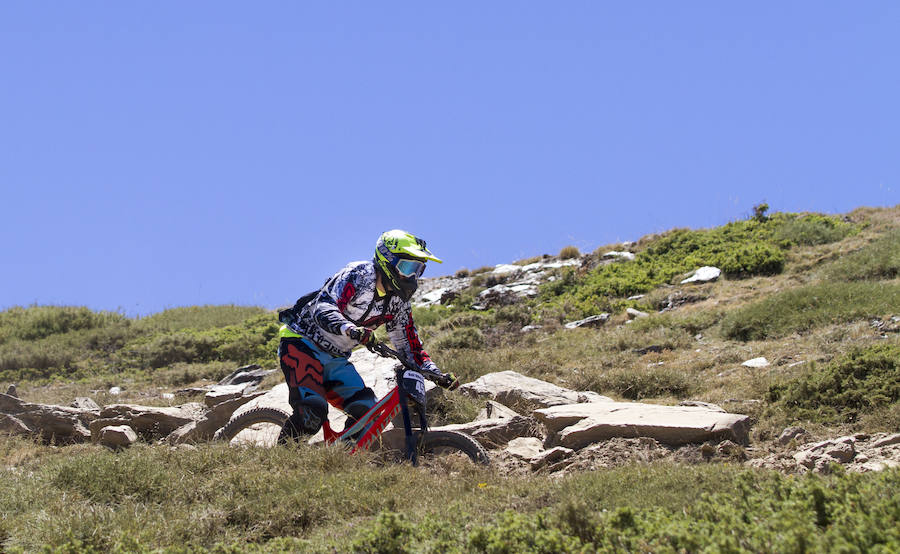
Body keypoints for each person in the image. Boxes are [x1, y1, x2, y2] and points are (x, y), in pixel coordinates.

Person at [275, 229, 459, 443]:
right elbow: (324, 307)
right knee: (311, 414)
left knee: (368, 413)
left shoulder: (399, 303)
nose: (412, 277)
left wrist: (437, 374)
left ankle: (340, 458)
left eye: (418, 270)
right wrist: (350, 329)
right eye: (408, 268)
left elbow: (410, 348)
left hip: (336, 358)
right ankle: (278, 461)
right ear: (388, 260)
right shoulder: (359, 275)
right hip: (301, 343)